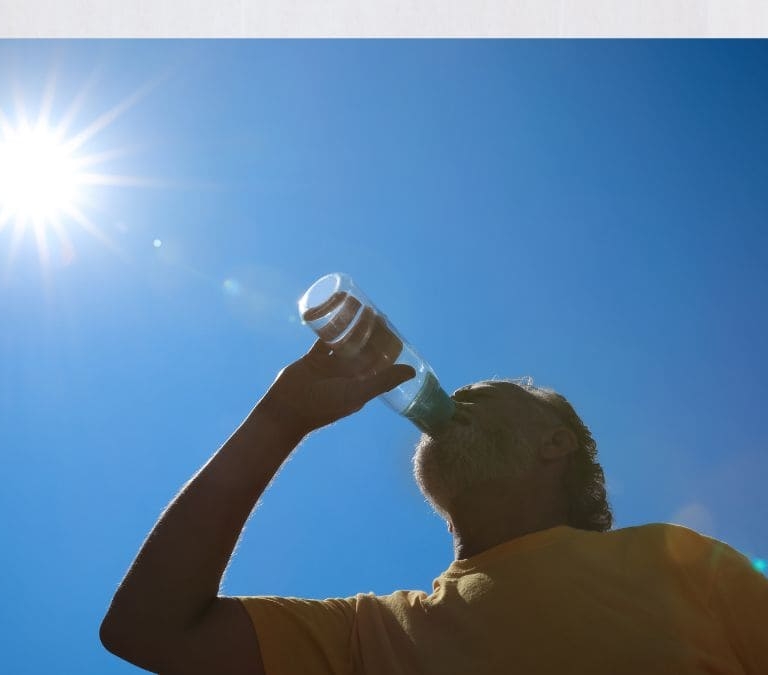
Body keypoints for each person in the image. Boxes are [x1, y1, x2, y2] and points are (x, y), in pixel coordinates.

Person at [100, 341, 768, 674]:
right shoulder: (375, 634)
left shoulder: (672, 559)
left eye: (487, 395)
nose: (457, 398)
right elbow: (148, 628)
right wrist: (280, 418)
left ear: (554, 443)